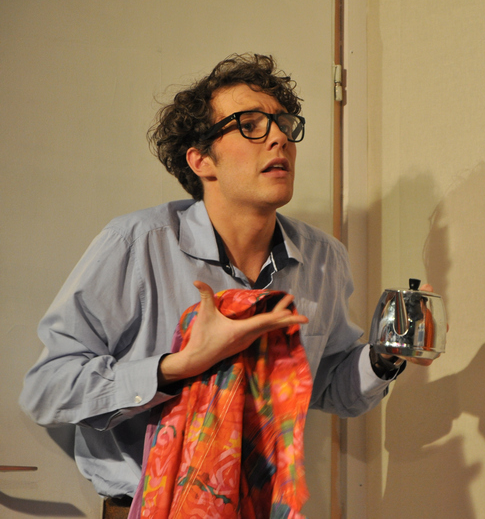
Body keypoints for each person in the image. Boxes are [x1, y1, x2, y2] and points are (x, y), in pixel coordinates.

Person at [19, 53, 417, 514]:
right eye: (250, 125)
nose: (279, 137)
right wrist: (176, 367)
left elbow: (328, 384)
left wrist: (385, 356)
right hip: (150, 508)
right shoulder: (137, 244)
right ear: (201, 159)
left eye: (284, 123)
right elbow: (47, 390)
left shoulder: (324, 259)